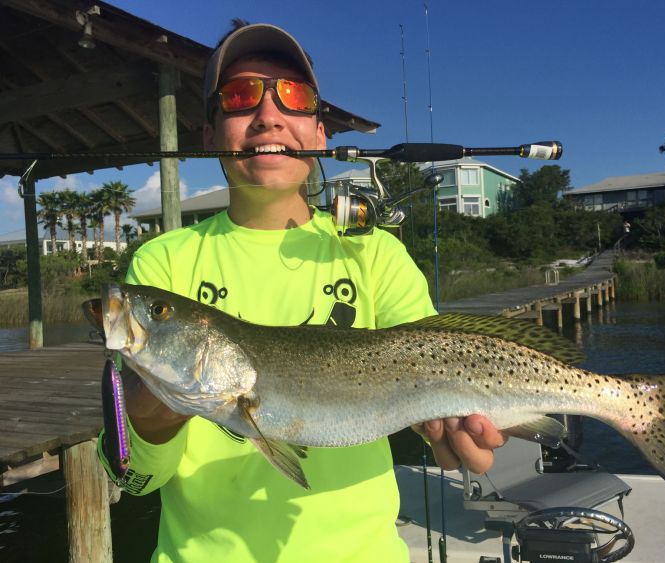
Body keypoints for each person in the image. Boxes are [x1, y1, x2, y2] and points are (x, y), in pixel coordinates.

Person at [99, 23, 505, 562]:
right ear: (210, 134)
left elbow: (437, 364)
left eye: (293, 96)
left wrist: (450, 433)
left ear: (319, 134)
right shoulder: (161, 263)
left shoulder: (374, 253)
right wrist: (152, 413)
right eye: (240, 96)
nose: (268, 115)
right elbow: (135, 480)